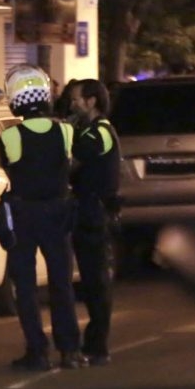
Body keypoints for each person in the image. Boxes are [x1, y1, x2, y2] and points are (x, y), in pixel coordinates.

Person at [0, 67, 83, 371]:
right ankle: (70, 351)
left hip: (24, 214)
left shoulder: (10, 135)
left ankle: (37, 351)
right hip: (58, 213)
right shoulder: (64, 131)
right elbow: (69, 164)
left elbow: (10, 168)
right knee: (62, 283)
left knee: (25, 285)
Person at [69, 78, 119, 366]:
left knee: (96, 282)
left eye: (77, 99)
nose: (73, 104)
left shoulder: (98, 133)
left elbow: (71, 161)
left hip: (94, 213)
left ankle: (97, 346)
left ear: (92, 101)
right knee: (90, 281)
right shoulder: (90, 130)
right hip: (89, 211)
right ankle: (93, 343)